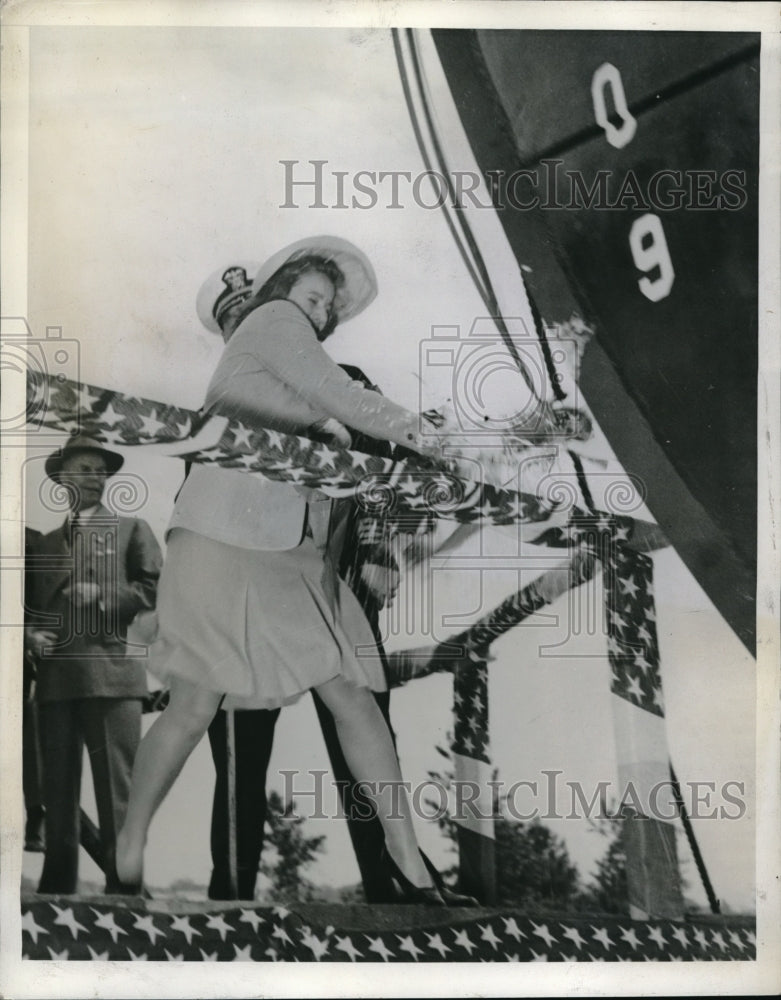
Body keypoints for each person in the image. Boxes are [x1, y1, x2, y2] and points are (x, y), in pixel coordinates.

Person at [116, 236, 452, 903]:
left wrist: (427, 452)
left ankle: (409, 866)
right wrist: (442, 439)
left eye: (328, 304)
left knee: (349, 696)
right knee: (193, 704)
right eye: (310, 293)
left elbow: (347, 427)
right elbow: (346, 400)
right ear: (277, 295)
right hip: (223, 538)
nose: (321, 309)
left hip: (286, 550)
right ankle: (128, 848)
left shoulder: (293, 363)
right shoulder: (274, 326)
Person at [26, 437, 163, 894]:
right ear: (63, 478)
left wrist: (103, 596)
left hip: (113, 677)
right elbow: (26, 611)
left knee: (117, 794)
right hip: (55, 684)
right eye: (85, 469)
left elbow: (156, 593)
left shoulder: (132, 529)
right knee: (56, 797)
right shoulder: (42, 544)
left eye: (102, 471)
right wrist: (30, 635)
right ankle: (56, 893)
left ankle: (126, 897)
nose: (96, 478)